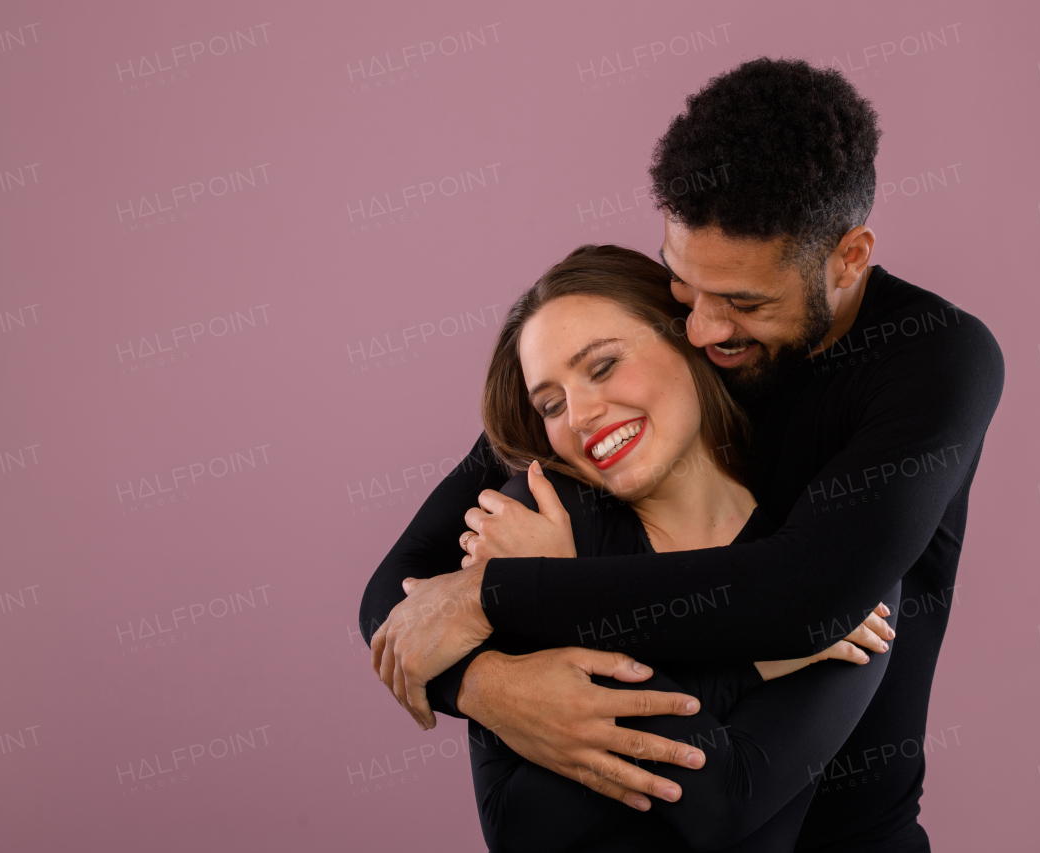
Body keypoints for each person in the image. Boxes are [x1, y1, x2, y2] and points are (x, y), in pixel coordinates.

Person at [362, 56, 1005, 851]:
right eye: (681, 283)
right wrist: (491, 685)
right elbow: (400, 598)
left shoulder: (933, 359)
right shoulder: (650, 351)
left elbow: (808, 600)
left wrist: (496, 599)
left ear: (849, 257)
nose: (702, 330)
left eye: (743, 302)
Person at [463, 244, 899, 852]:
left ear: (686, 339)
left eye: (604, 365)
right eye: (552, 404)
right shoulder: (540, 523)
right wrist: (754, 666)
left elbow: (726, 805)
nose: (582, 415)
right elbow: (519, 827)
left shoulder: (831, 546)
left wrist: (557, 610)